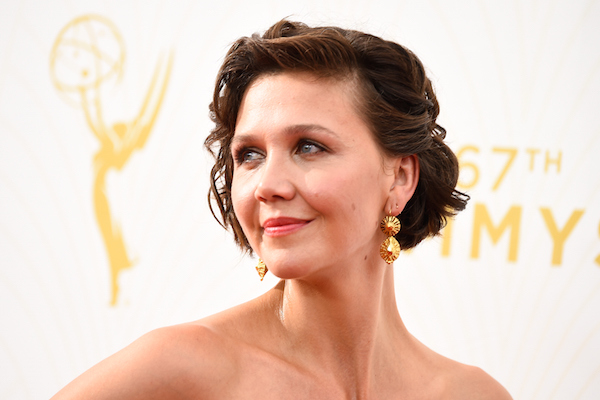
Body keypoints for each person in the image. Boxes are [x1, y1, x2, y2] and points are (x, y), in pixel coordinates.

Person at [52, 19, 512, 399]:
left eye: (309, 146)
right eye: (249, 155)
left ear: (400, 177)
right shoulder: (180, 370)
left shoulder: (472, 394)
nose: (267, 186)